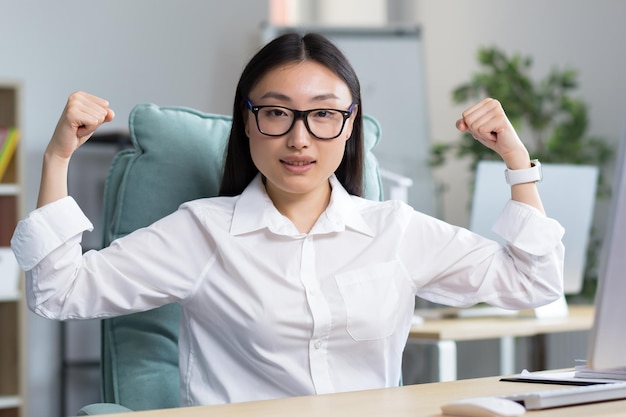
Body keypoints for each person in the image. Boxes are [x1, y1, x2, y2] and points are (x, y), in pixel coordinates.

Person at [11, 33, 564, 407]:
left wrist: (519, 165)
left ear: (349, 126)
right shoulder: (202, 232)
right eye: (276, 112)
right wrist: (57, 158)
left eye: (323, 114)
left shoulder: (394, 229)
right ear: (246, 125)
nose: (300, 138)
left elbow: (532, 281)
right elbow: (58, 292)